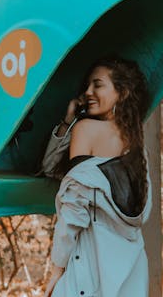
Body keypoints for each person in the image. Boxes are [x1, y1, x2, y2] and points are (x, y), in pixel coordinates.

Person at [42, 57, 152, 297]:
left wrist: (57, 268)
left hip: (90, 269)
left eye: (97, 85)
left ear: (121, 92)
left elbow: (72, 211)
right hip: (131, 268)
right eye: (87, 86)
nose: (87, 92)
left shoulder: (85, 129)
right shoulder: (137, 144)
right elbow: (57, 170)